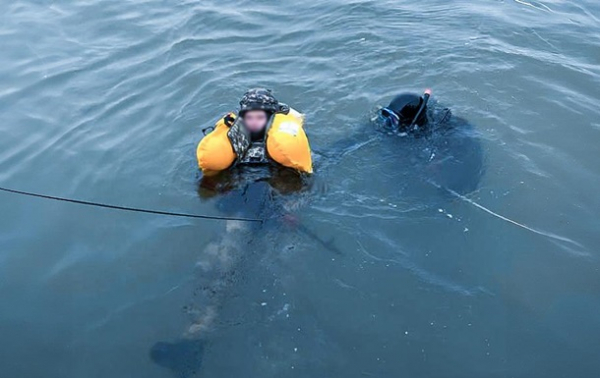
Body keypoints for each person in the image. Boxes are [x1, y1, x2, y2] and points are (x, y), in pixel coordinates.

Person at [196, 88, 313, 175]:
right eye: (249, 117)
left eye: (259, 117)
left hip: (273, 172)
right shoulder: (235, 134)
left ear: (270, 118)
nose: (254, 122)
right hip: (242, 174)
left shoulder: (280, 133)